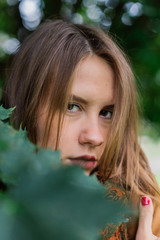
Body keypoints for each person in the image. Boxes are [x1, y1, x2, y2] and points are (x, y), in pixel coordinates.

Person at [2, 19, 160, 239]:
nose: (95, 137)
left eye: (107, 113)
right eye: (72, 106)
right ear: (26, 106)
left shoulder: (140, 212)